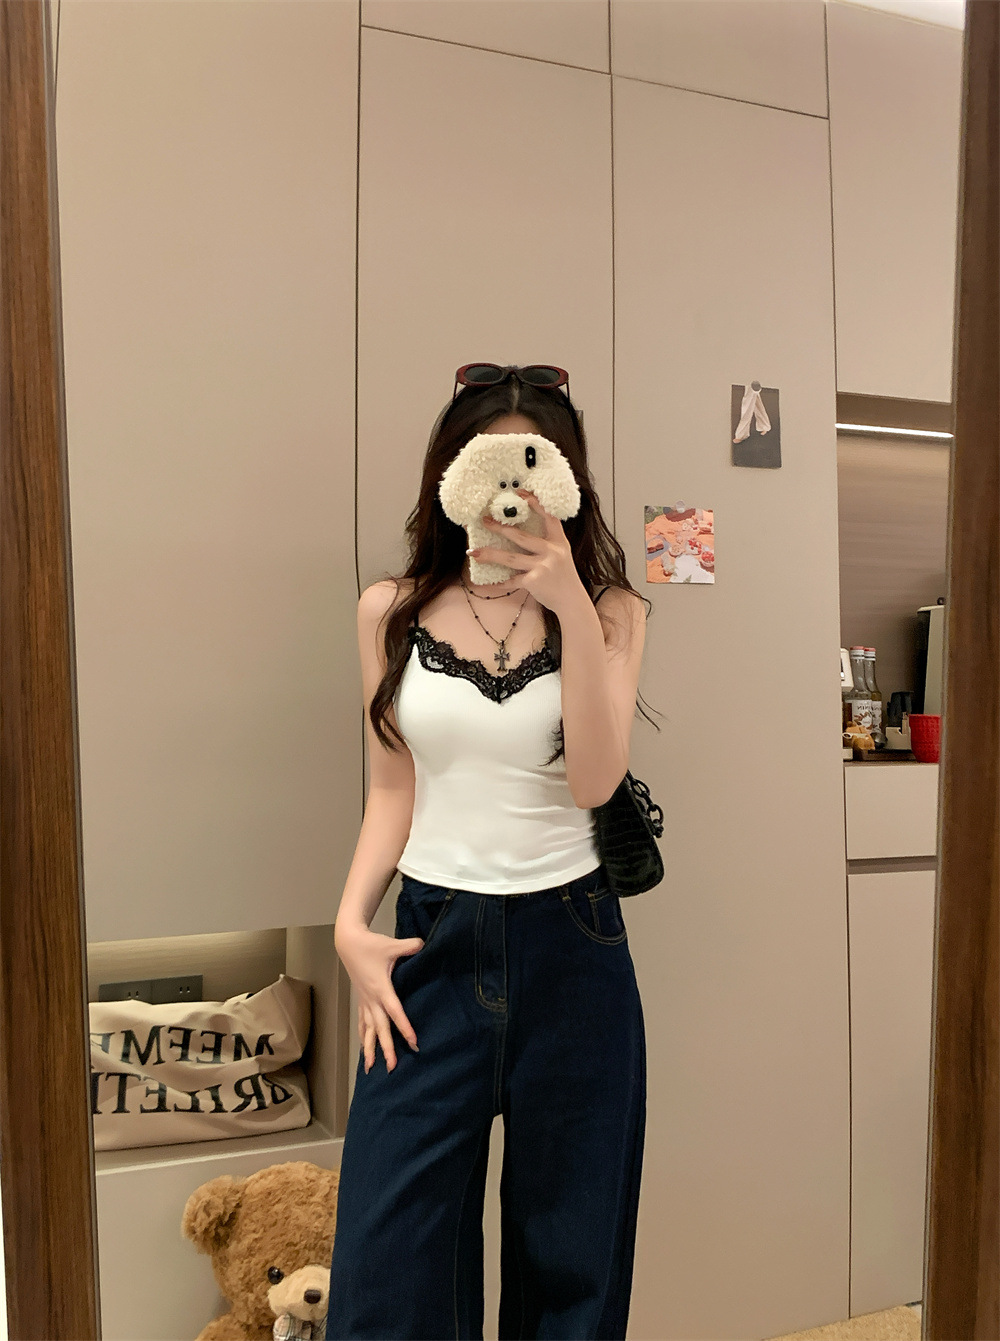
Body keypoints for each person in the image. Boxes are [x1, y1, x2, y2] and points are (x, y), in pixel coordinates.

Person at [325, 364, 658, 1341]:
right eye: (488, 467)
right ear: (451, 476)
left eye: (531, 466)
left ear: (564, 481)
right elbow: (393, 789)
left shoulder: (614, 612)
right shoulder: (388, 610)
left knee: (573, 1266)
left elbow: (594, 780)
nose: (508, 495)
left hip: (574, 948)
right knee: (390, 1269)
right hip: (429, 944)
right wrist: (348, 924)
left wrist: (571, 608)